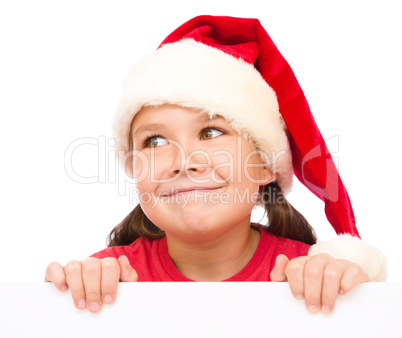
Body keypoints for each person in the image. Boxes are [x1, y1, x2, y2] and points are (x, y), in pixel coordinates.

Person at [45, 15, 386, 315]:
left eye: (210, 132)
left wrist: (355, 296)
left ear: (266, 164)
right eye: (155, 141)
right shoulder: (107, 281)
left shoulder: (314, 276)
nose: (184, 161)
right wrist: (66, 301)